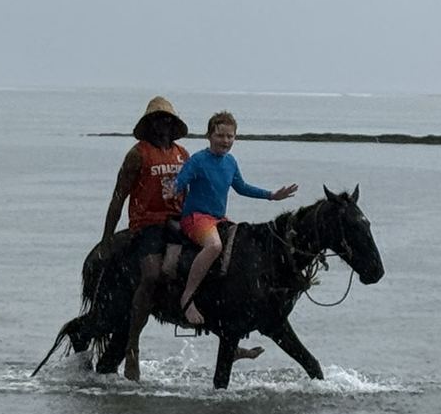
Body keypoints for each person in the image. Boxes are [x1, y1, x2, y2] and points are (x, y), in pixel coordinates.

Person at [175, 110, 298, 327]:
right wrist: (172, 189)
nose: (225, 141)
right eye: (220, 135)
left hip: (219, 219)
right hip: (196, 218)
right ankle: (188, 297)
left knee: (242, 245)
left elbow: (241, 187)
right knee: (214, 246)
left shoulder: (230, 161)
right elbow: (180, 180)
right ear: (209, 136)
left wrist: (271, 195)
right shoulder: (198, 160)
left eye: (230, 136)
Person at [100, 97, 191, 381]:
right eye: (157, 120)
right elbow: (119, 196)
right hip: (147, 224)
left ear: (173, 125)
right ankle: (132, 345)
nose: (162, 125)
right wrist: (106, 238)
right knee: (151, 275)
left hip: (178, 223)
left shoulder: (182, 154)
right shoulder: (138, 154)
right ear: (149, 124)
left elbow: (193, 191)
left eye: (167, 120)